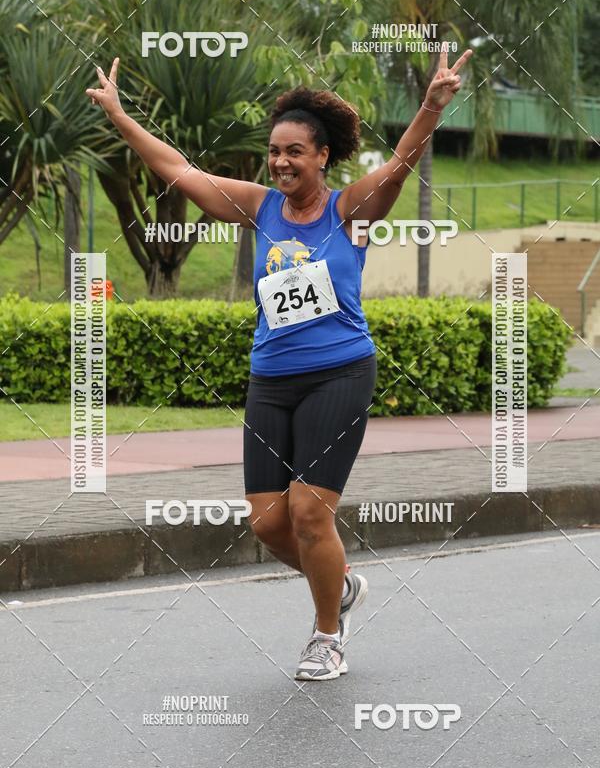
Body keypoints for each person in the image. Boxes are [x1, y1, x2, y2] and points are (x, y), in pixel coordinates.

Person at [86, 44, 472, 680]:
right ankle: (341, 583)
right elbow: (179, 171)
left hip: (341, 373)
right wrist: (120, 117)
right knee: (268, 524)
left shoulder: (350, 213)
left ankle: (327, 635)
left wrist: (429, 109)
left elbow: (399, 169)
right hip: (271, 378)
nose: (281, 161)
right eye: (275, 151)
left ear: (322, 156)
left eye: (295, 151)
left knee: (310, 513)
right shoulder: (259, 206)